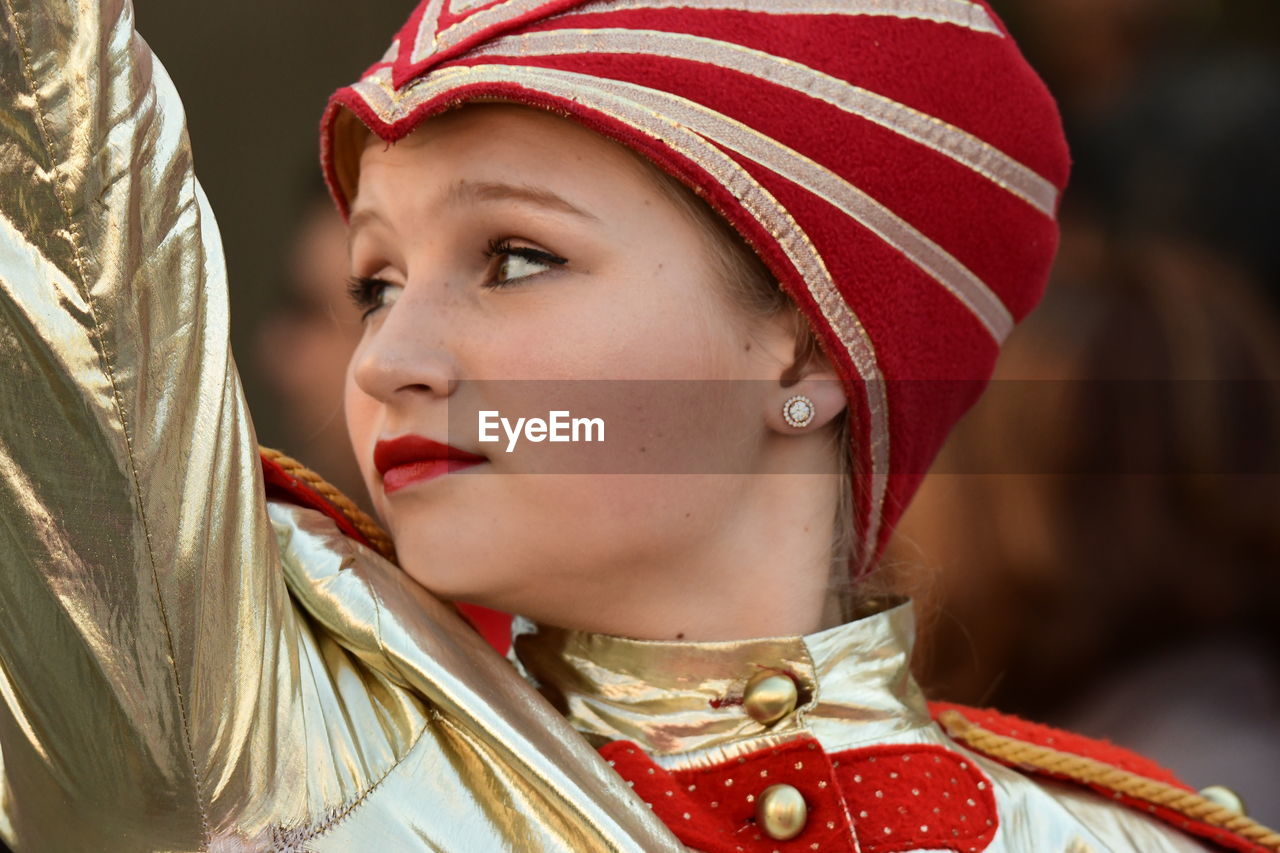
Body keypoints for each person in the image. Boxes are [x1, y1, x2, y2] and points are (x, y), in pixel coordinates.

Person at [1, 3, 1276, 853]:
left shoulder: (1121, 840)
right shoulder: (258, 738)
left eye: (511, 258)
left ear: (803, 338)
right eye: (374, 282)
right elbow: (60, 209)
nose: (389, 359)